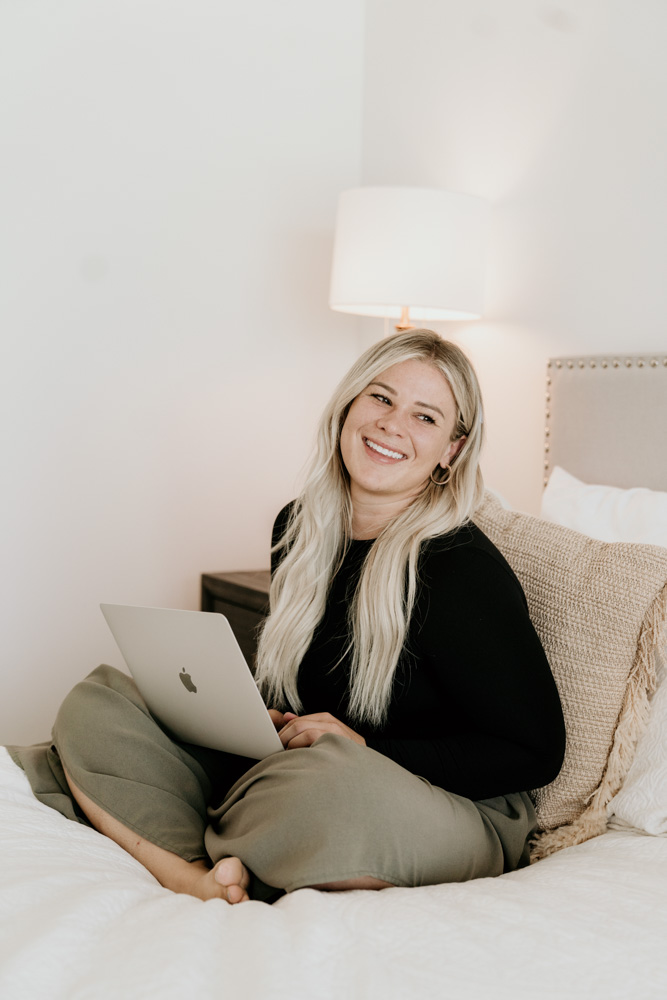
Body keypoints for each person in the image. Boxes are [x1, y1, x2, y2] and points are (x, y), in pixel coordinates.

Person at [8, 329, 566, 905]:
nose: (392, 424)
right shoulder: (299, 527)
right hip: (308, 770)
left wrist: (363, 747)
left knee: (316, 794)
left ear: (452, 449)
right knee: (98, 701)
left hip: (442, 800)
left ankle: (181, 844)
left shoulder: (458, 567)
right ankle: (198, 871)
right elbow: (324, 689)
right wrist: (260, 717)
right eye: (380, 398)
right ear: (350, 405)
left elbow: (535, 751)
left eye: (426, 417)